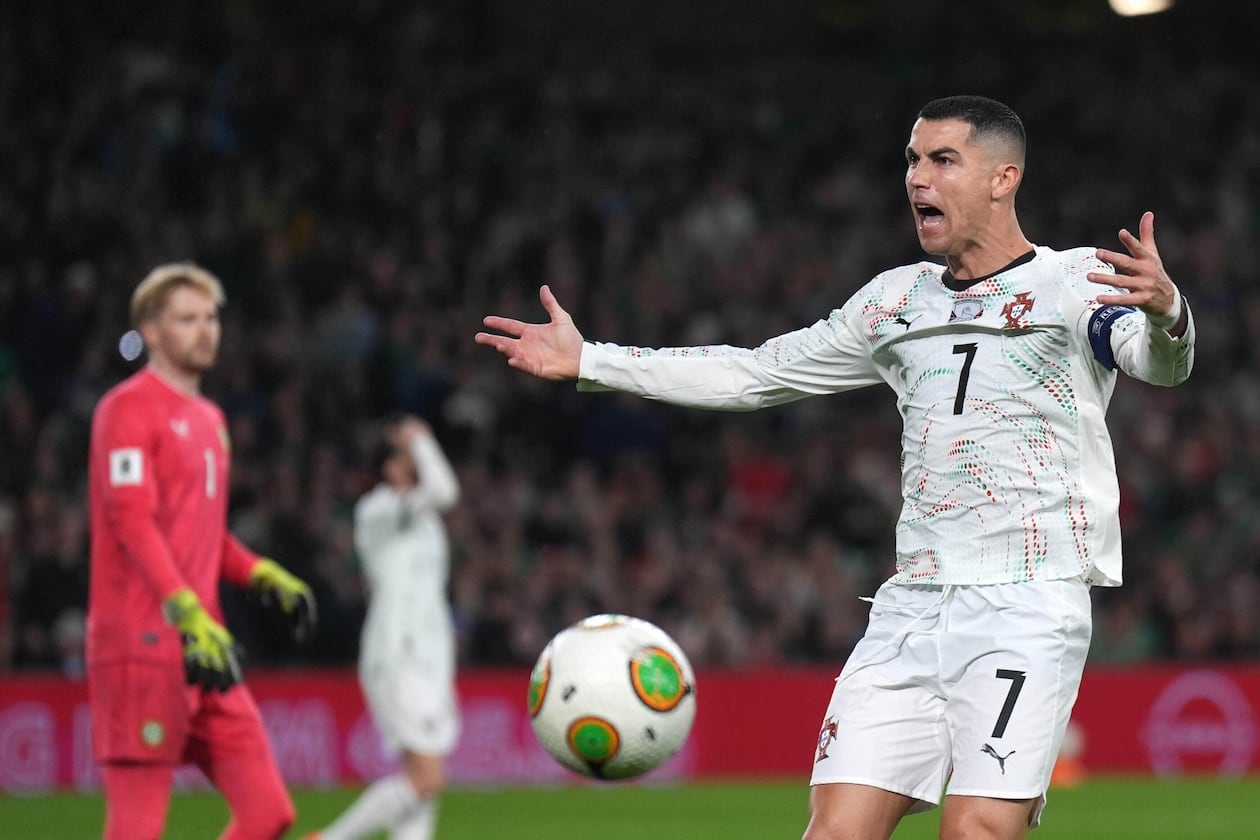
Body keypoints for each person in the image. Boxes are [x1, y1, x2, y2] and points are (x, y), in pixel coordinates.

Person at [475, 95, 1195, 840]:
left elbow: (1157, 362)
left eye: (943, 160)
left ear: (1002, 177)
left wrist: (1169, 313)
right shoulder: (892, 302)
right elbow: (755, 374)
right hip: (911, 605)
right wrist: (592, 360)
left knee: (977, 829)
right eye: (913, 160)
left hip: (1026, 603)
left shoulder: (1073, 282)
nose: (919, 178)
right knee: (834, 834)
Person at [87, 263, 317, 840]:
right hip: (141, 646)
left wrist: (261, 573)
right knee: (136, 829)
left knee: (269, 813)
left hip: (207, 646)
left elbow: (204, 535)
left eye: (211, 317)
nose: (205, 330)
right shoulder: (126, 409)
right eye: (187, 319)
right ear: (152, 331)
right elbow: (132, 522)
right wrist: (184, 609)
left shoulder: (211, 418)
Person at [306, 414, 461, 840]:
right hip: (398, 652)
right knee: (427, 778)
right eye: (408, 455)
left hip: (429, 657)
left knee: (422, 789)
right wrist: (422, 439)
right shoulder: (377, 509)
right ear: (391, 468)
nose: (418, 459)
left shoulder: (424, 521)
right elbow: (446, 490)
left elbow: (438, 496)